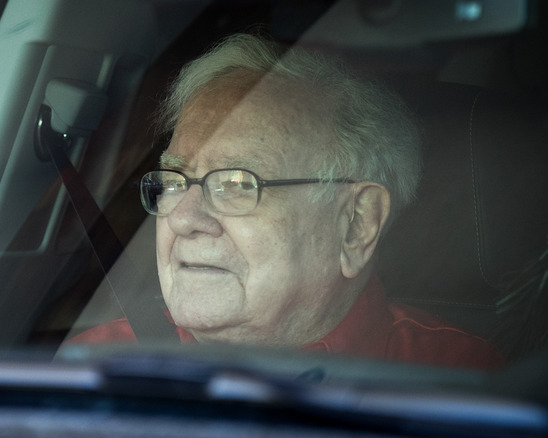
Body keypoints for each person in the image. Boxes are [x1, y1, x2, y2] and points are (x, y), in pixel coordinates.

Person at [70, 33, 503, 370]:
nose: (182, 218)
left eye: (238, 183)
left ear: (356, 224)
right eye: (176, 180)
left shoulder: (461, 385)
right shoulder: (91, 365)